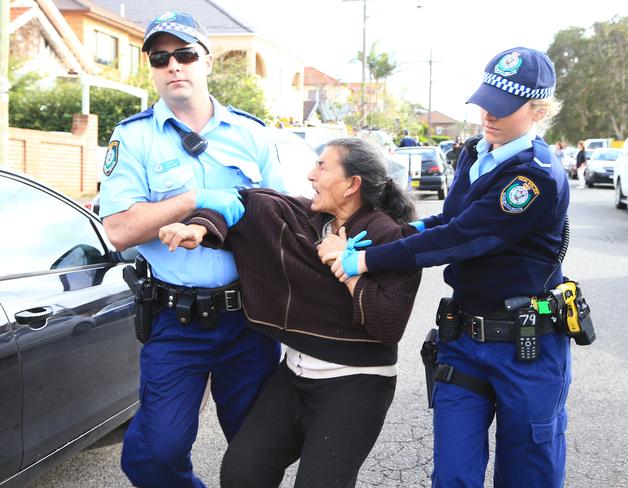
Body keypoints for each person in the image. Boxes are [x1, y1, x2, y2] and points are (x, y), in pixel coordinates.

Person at [321, 47, 571, 487]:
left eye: (503, 109)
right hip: (465, 339)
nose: (488, 117)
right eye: (485, 104)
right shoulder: (478, 153)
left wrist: (363, 259)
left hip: (525, 348)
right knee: (453, 474)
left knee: (527, 475)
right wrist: (399, 232)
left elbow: (463, 238)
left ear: (537, 110)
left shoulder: (534, 178)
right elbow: (449, 219)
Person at [158, 137, 422, 488]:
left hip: (356, 384)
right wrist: (200, 226)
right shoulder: (308, 217)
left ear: (352, 185)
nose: (310, 174)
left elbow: (389, 323)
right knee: (242, 472)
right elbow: (246, 202)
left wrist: (348, 265)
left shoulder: (390, 237)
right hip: (295, 375)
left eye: (322, 166)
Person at [99, 11, 285, 488]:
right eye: (160, 58)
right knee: (154, 454)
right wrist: (191, 200)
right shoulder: (133, 136)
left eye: (184, 54)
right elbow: (118, 230)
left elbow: (285, 220)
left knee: (257, 452)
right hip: (174, 320)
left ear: (206, 61)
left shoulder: (253, 134)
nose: (173, 66)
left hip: (248, 318)